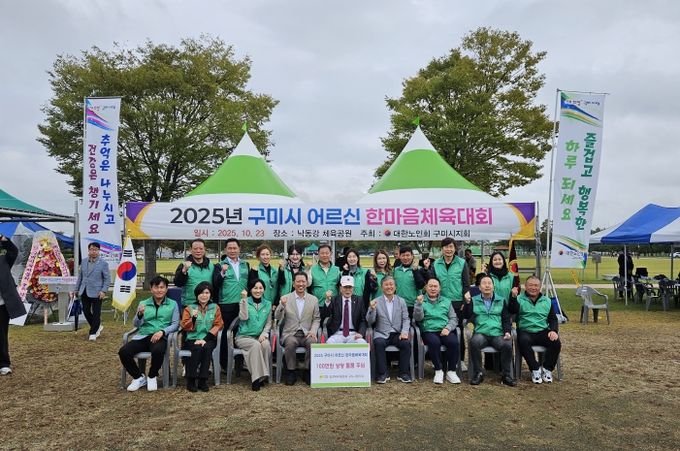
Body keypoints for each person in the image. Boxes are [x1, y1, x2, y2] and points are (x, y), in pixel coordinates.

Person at [118, 275, 179, 391]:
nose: (159, 290)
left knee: (158, 350)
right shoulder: (143, 303)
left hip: (160, 337)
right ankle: (138, 377)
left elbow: (175, 324)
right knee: (124, 352)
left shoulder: (173, 304)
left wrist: (162, 332)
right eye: (156, 287)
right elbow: (136, 324)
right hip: (143, 336)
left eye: (162, 287)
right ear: (151, 289)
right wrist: (139, 315)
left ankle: (152, 375)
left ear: (166, 289)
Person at [463, 275, 516, 387]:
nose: (487, 285)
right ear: (479, 287)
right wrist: (467, 303)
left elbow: (506, 319)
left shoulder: (501, 300)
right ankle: (478, 373)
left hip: (497, 334)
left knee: (507, 345)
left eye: (489, 283)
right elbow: (466, 316)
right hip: (481, 333)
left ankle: (506, 375)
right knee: (474, 342)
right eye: (484, 283)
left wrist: (507, 332)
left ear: (493, 286)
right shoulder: (473, 300)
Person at [508, 276, 561, 384]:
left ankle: (547, 369)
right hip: (525, 330)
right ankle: (535, 369)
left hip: (542, 330)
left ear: (540, 287)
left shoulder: (547, 301)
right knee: (523, 341)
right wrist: (513, 297)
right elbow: (512, 310)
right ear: (525, 286)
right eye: (530, 285)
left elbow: (553, 319)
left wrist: (553, 330)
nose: (533, 288)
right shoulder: (519, 299)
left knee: (555, 342)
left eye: (536, 285)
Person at [427, 238, 470, 367]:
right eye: (446, 247)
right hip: (440, 303)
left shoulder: (462, 263)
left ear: (455, 248)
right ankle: (440, 360)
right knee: (440, 330)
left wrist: (464, 301)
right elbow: (432, 283)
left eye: (451, 247)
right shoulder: (436, 264)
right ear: (442, 249)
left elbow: (466, 284)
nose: (448, 249)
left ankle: (459, 360)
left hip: (457, 302)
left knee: (457, 330)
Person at [413, 276, 461, 384]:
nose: (433, 288)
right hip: (429, 330)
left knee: (453, 342)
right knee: (434, 342)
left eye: (435, 286)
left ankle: (451, 371)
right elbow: (418, 318)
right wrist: (419, 304)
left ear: (439, 288)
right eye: (430, 286)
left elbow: (453, 318)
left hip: (444, 329)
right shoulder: (420, 300)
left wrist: (448, 328)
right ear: (426, 287)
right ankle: (438, 370)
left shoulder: (446, 301)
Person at [274, 272, 320, 385]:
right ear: (293, 284)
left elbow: (316, 319)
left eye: (303, 281)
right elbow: (277, 317)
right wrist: (281, 305)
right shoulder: (286, 298)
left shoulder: (313, 299)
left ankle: (308, 371)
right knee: (290, 343)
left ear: (307, 283)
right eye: (298, 281)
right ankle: (291, 371)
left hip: (307, 333)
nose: (301, 284)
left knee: (312, 343)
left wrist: (313, 331)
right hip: (290, 333)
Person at [366, 276, 412, 384]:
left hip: (397, 333)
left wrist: (404, 332)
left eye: (391, 284)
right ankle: (382, 373)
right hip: (381, 333)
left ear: (395, 287)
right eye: (386, 284)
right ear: (382, 287)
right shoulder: (376, 301)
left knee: (406, 344)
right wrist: (372, 309)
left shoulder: (401, 301)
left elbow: (406, 319)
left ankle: (403, 373)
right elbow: (370, 321)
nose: (389, 287)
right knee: (378, 343)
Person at [180, 281, 223, 392]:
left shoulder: (215, 307)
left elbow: (218, 324)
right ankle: (191, 380)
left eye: (207, 293)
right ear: (197, 294)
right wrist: (193, 319)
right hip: (193, 338)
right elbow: (184, 326)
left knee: (207, 348)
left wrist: (205, 339)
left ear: (210, 294)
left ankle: (203, 380)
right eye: (201, 293)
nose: (204, 295)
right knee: (197, 349)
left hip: (209, 338)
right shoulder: (189, 308)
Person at [212, 238, 249, 368]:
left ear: (239, 249)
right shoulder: (219, 265)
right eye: (230, 248)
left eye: (235, 248)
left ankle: (240, 363)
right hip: (226, 304)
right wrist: (222, 272)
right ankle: (224, 364)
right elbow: (215, 284)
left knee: (241, 333)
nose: (232, 250)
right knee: (224, 335)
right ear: (225, 250)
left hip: (243, 304)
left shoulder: (245, 264)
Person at [236, 279, 273, 391]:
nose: (258, 290)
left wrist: (264, 334)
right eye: (255, 288)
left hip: (259, 336)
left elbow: (269, 323)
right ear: (250, 290)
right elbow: (243, 317)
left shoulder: (268, 304)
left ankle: (263, 377)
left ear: (264, 290)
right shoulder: (244, 301)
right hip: (243, 337)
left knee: (266, 345)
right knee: (256, 345)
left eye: (260, 288)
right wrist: (243, 300)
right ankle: (256, 379)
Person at [0, 234, 26, 375]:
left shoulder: (4, 260)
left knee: (2, 335)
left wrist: (3, 239)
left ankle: (4, 363)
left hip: (2, 305)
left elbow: (13, 251)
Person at [74, 242, 111, 341]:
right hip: (84, 290)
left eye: (95, 250)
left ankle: (93, 332)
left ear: (99, 251)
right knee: (86, 311)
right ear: (88, 250)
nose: (93, 251)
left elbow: (107, 279)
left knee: (96, 313)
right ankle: (97, 326)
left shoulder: (103, 264)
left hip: (97, 292)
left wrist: (103, 291)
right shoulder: (84, 261)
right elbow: (80, 277)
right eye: (91, 249)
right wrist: (76, 289)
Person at [325, 276, 367, 344]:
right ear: (340, 288)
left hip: (354, 334)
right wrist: (327, 301)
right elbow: (326, 314)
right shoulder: (334, 300)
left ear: (353, 288)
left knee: (362, 343)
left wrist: (360, 333)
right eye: (345, 287)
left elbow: (363, 320)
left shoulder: (359, 300)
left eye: (350, 287)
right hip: (337, 334)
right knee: (329, 343)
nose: (348, 290)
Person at [173, 238, 214, 306]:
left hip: (208, 304)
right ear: (190, 250)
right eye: (195, 249)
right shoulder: (184, 265)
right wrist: (183, 271)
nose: (198, 251)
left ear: (204, 249)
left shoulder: (211, 265)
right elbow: (178, 283)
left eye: (201, 249)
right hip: (189, 305)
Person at [308, 243, 340, 325]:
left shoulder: (337, 270)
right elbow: (307, 284)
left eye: (327, 253)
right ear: (318, 254)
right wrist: (307, 270)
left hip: (334, 305)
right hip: (318, 305)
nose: (325, 255)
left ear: (331, 254)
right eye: (322, 253)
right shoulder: (312, 269)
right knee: (317, 327)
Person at [392, 245, 427, 318]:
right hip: (398, 305)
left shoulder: (419, 269)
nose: (405, 258)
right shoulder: (395, 270)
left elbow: (421, 286)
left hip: (413, 305)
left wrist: (415, 270)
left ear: (412, 256)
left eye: (408, 255)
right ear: (399, 257)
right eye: (403, 255)